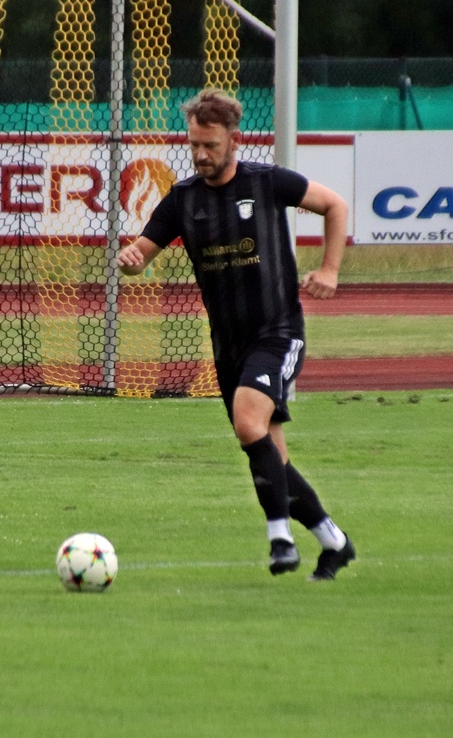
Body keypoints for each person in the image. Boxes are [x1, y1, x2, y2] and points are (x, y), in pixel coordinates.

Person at [117, 88, 355, 580]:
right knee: (270, 457)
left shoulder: (267, 182)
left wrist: (329, 269)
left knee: (249, 423)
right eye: (194, 145)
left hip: (278, 332)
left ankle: (280, 540)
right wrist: (133, 260)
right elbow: (142, 252)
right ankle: (334, 542)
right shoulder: (182, 199)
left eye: (211, 145)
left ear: (234, 140)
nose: (201, 155)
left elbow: (335, 205)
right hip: (228, 347)